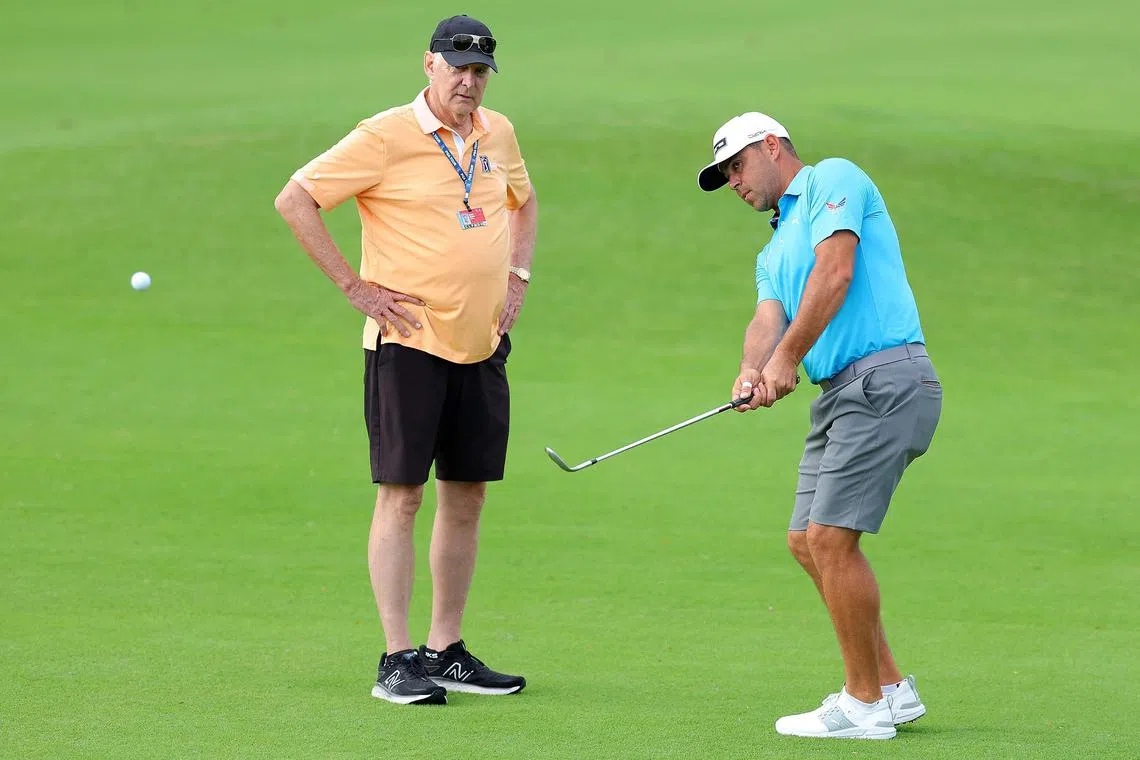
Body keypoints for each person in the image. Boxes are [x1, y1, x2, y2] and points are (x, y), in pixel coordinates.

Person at [274, 14, 537, 706]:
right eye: (458, 68)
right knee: (403, 496)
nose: (469, 83)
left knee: (468, 493)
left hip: (480, 344)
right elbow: (295, 198)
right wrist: (354, 288)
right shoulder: (385, 136)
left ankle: (446, 648)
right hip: (408, 343)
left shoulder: (497, 132)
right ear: (429, 65)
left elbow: (524, 201)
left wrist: (517, 278)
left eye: (480, 71)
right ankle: (397, 658)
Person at [696, 113, 942, 739]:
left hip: (884, 378)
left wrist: (786, 360)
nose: (732, 182)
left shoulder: (834, 179)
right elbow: (766, 318)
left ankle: (862, 706)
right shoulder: (773, 247)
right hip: (840, 394)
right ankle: (888, 687)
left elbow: (837, 272)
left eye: (737, 166)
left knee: (832, 540)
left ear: (772, 147)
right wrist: (753, 368)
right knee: (807, 541)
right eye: (724, 174)